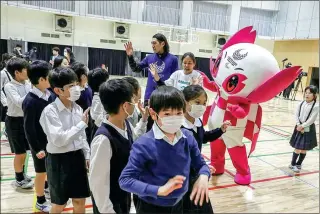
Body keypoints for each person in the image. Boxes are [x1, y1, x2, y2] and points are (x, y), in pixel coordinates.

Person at [119, 86, 210, 214]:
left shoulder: (187, 137)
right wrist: (158, 190)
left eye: (178, 113)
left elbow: (201, 165)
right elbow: (125, 180)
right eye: (167, 114)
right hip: (151, 206)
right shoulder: (143, 144)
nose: (174, 118)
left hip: (179, 203)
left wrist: (204, 176)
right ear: (153, 114)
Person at [89, 79, 146, 214]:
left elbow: (133, 138)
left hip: (123, 195)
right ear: (125, 105)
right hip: (109, 204)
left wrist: (143, 120)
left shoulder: (125, 124)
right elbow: (98, 185)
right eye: (133, 98)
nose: (135, 102)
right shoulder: (103, 140)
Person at [39, 67, 90, 213]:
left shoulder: (78, 109)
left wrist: (87, 154)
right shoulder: (50, 111)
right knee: (59, 204)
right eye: (70, 86)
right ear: (58, 91)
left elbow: (82, 136)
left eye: (76, 84)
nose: (76, 89)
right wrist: (81, 125)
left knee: (80, 200)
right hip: (58, 160)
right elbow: (59, 139)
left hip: (77, 157)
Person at [182, 85, 231, 214]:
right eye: (197, 102)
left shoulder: (197, 122)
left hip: (197, 175)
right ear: (185, 102)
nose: (202, 107)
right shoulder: (179, 126)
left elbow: (204, 137)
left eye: (204, 103)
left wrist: (220, 130)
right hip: (183, 178)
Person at [22, 60, 55, 212]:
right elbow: (29, 128)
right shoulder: (30, 101)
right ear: (41, 80)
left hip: (51, 141)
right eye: (49, 77)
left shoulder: (49, 95)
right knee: (41, 173)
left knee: (48, 171)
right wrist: (36, 148)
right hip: (40, 145)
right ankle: (40, 200)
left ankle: (47, 192)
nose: (51, 79)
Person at [124, 33, 179, 105]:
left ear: (162, 44)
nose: (152, 46)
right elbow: (136, 69)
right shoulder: (149, 58)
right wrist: (130, 56)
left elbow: (175, 80)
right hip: (149, 96)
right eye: (152, 43)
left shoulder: (173, 59)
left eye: (154, 43)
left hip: (165, 96)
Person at [4, 57, 33, 188]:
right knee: (19, 152)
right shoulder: (9, 86)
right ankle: (19, 178)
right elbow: (20, 103)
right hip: (14, 122)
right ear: (17, 72)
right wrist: (34, 91)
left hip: (26, 119)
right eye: (26, 70)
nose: (28, 72)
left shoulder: (27, 83)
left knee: (25, 151)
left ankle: (22, 173)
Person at [289, 85, 319, 173]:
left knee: (304, 148)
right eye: (306, 92)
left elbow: (312, 119)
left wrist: (303, 126)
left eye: (309, 93)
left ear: (314, 95)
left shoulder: (316, 106)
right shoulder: (300, 103)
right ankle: (292, 164)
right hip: (299, 127)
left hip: (308, 128)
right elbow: (296, 115)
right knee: (297, 148)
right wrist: (299, 125)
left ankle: (299, 163)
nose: (307, 94)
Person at [88, 68, 109, 140]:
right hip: (100, 130)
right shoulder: (97, 99)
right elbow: (97, 119)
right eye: (106, 81)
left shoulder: (100, 96)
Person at [0, 53, 14, 123]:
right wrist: (5, 102)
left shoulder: (13, 72)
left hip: (13, 99)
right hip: (6, 101)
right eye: (11, 60)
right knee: (4, 121)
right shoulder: (2, 73)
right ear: (6, 61)